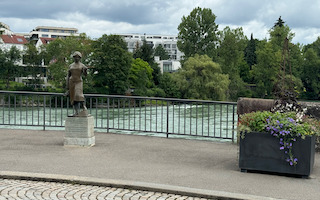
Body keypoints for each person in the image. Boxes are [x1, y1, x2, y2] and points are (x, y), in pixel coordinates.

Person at [66, 51, 88, 116]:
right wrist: (67, 86)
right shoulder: (71, 66)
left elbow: (85, 75)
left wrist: (85, 71)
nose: (76, 58)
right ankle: (76, 112)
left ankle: (84, 107)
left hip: (79, 81)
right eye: (75, 57)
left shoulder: (82, 65)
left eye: (78, 57)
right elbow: (68, 75)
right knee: (73, 97)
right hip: (71, 81)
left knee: (78, 95)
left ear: (80, 58)